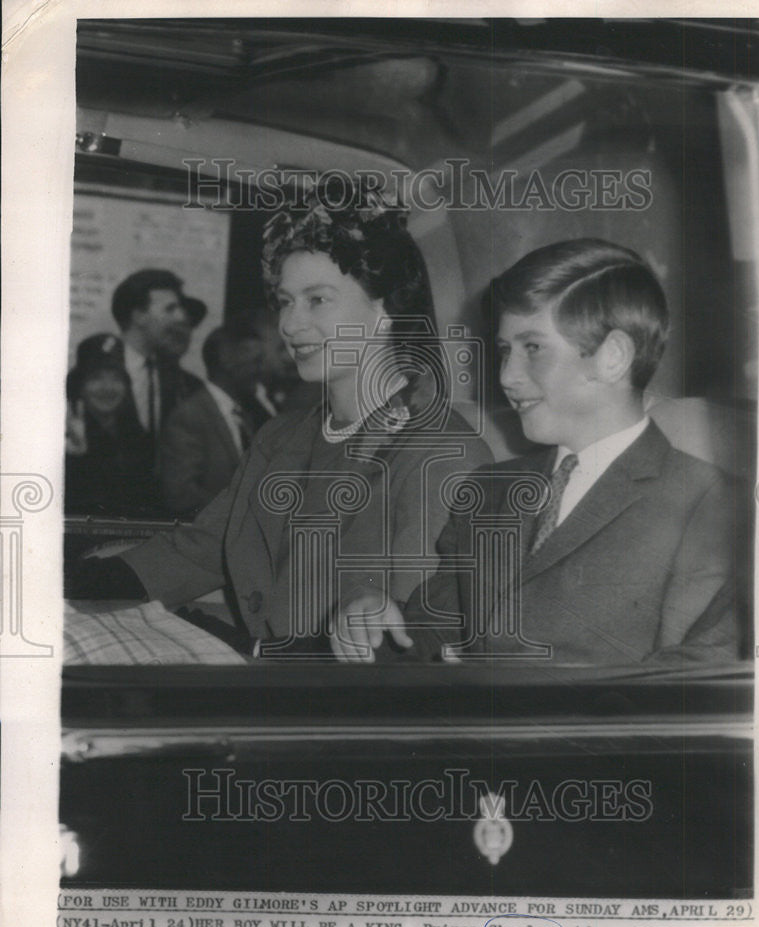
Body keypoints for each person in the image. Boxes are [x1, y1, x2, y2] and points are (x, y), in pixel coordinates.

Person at [71, 178, 492, 654]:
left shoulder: (440, 451)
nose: (290, 325)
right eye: (286, 302)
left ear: (386, 308)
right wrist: (79, 583)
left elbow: (408, 634)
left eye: (317, 299)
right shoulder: (284, 434)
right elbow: (207, 544)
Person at [334, 238, 738, 665]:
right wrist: (375, 621)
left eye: (533, 348)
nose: (507, 376)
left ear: (613, 357)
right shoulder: (487, 491)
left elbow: (691, 686)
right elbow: (428, 634)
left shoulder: (712, 505)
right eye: (505, 350)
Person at [159, 322, 271, 517]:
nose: (261, 371)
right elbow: (180, 494)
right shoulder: (189, 416)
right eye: (255, 362)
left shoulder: (246, 415)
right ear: (226, 360)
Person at [111, 269, 207, 450]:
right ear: (139, 316)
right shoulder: (95, 371)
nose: (180, 317)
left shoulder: (183, 383)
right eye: (170, 309)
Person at [64, 333, 156, 515]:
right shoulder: (64, 439)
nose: (107, 387)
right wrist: (75, 458)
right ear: (79, 386)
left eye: (116, 378)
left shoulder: (140, 439)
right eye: (96, 378)